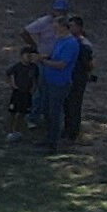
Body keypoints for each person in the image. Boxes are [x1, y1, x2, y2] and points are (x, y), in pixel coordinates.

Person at [35, 20, 89, 151]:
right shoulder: (60, 40)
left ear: (64, 27)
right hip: (50, 80)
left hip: (59, 83)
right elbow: (54, 56)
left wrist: (44, 62)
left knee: (54, 112)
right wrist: (44, 56)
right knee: (47, 110)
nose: (54, 29)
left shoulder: (71, 44)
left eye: (56, 27)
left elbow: (62, 64)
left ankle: (53, 143)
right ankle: (47, 138)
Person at [5, 34, 41, 135]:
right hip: (17, 92)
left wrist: (34, 88)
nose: (29, 57)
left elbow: (36, 79)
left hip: (27, 93)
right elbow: (9, 74)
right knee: (12, 112)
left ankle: (17, 130)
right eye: (27, 55)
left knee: (23, 113)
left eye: (31, 55)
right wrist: (12, 84)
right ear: (21, 56)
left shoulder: (34, 67)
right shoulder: (17, 66)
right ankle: (10, 130)